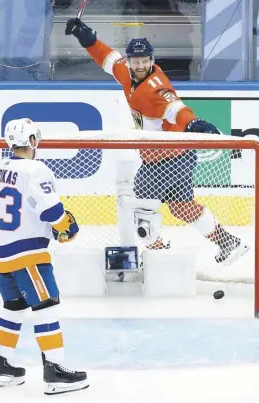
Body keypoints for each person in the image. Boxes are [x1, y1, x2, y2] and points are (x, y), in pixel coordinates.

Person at [65, 19, 249, 265]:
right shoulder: (125, 71)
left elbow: (174, 107)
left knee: (141, 209)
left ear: (152, 61)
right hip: (180, 157)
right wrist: (86, 39)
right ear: (130, 62)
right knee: (181, 207)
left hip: (161, 161)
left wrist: (192, 123)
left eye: (145, 61)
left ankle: (159, 256)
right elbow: (108, 59)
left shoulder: (156, 87)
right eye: (136, 62)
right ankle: (228, 242)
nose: (140, 66)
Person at [0, 118, 88, 395]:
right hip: (27, 255)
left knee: (13, 307)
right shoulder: (37, 170)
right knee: (47, 307)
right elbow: (53, 214)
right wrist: (67, 227)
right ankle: (54, 370)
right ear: (31, 141)